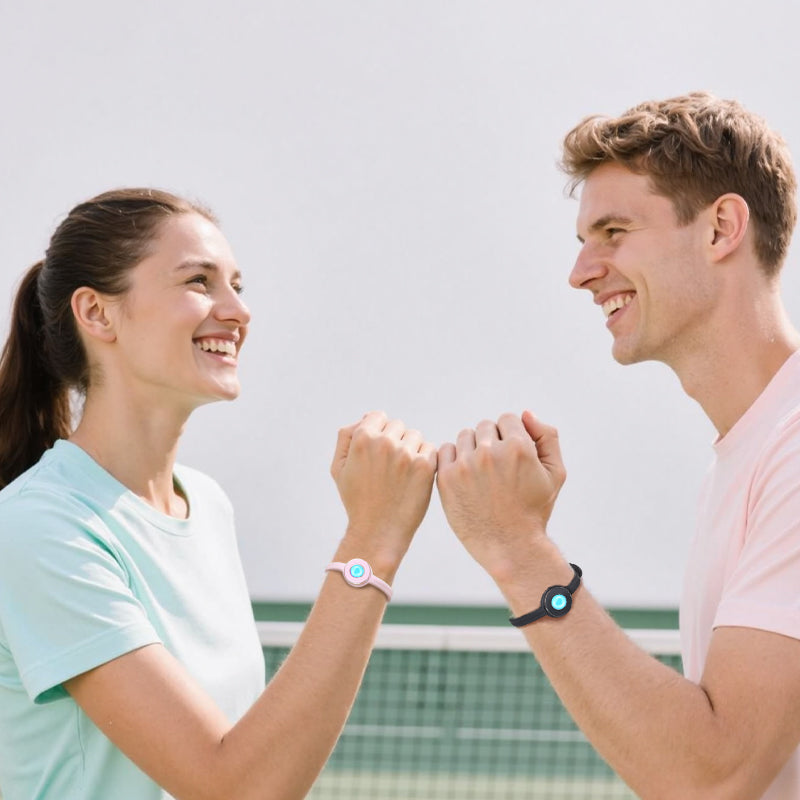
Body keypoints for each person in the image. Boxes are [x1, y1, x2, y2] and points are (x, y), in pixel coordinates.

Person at [0, 188, 437, 800]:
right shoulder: (40, 528)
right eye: (199, 281)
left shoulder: (206, 506)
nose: (238, 311)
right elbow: (235, 785)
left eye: (238, 284)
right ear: (96, 314)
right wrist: (373, 541)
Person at [436, 92, 800, 800]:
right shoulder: (751, 454)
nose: (580, 272)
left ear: (722, 227)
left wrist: (519, 551)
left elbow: (717, 775)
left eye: (612, 231)